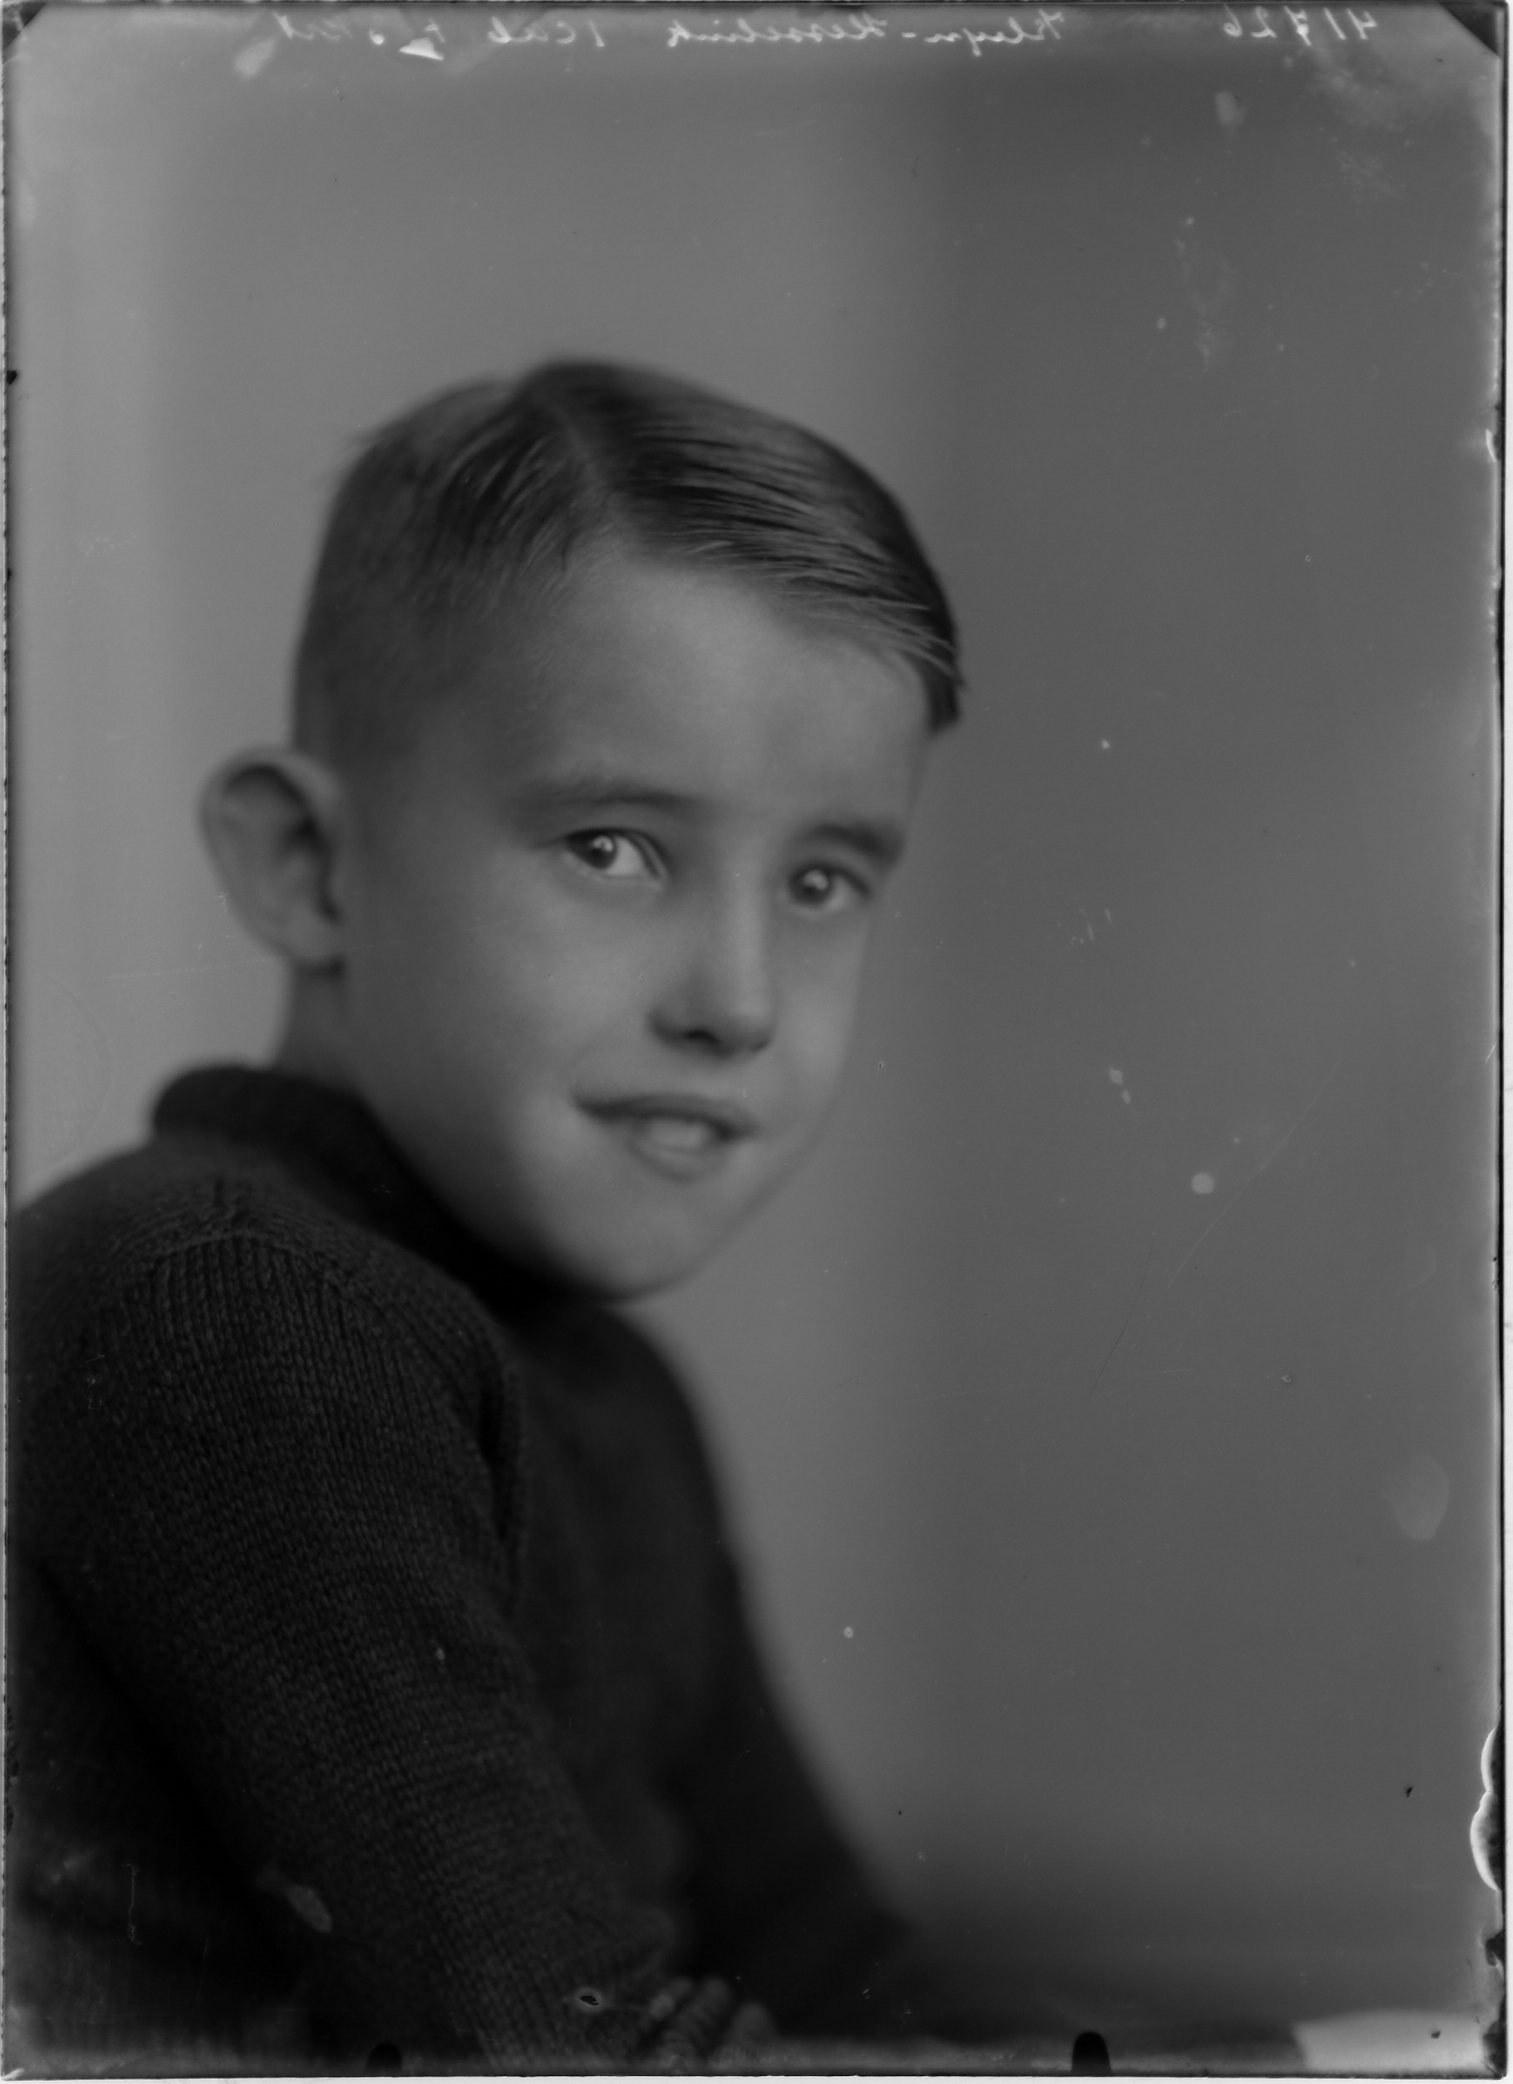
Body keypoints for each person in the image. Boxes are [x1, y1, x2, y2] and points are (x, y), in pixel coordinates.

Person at [7, 363, 1037, 2074]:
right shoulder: (230, 1304)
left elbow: (839, 1973)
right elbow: (557, 2063)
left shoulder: (607, 1389)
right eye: (615, 848)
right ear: (307, 867)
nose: (738, 1000)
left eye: (821, 880)